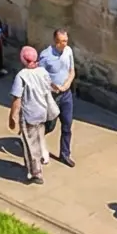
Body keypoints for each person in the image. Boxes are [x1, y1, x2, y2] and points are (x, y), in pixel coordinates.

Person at [9, 45, 56, 182]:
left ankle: (36, 173)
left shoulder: (21, 76)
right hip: (42, 112)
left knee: (30, 144)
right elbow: (49, 87)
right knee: (39, 138)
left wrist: (12, 117)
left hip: (29, 114)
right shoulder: (43, 72)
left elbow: (17, 99)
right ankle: (41, 159)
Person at [44, 30, 79, 167]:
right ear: (56, 41)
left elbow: (72, 71)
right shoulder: (46, 56)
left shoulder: (68, 51)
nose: (65, 43)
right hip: (52, 96)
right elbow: (40, 76)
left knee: (67, 125)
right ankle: (32, 140)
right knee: (50, 126)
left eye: (66, 40)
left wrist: (66, 85)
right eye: (62, 41)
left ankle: (65, 154)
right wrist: (53, 86)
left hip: (66, 95)